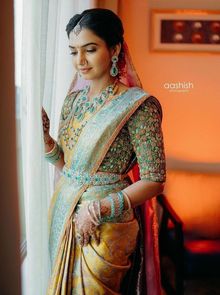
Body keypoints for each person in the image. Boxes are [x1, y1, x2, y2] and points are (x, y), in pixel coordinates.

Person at [42, 8, 166, 295]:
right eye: (73, 52)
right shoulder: (72, 102)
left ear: (114, 50)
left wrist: (99, 208)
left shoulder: (139, 106)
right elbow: (70, 168)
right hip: (64, 214)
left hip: (106, 228)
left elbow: (155, 180)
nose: (80, 61)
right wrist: (46, 141)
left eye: (90, 49)